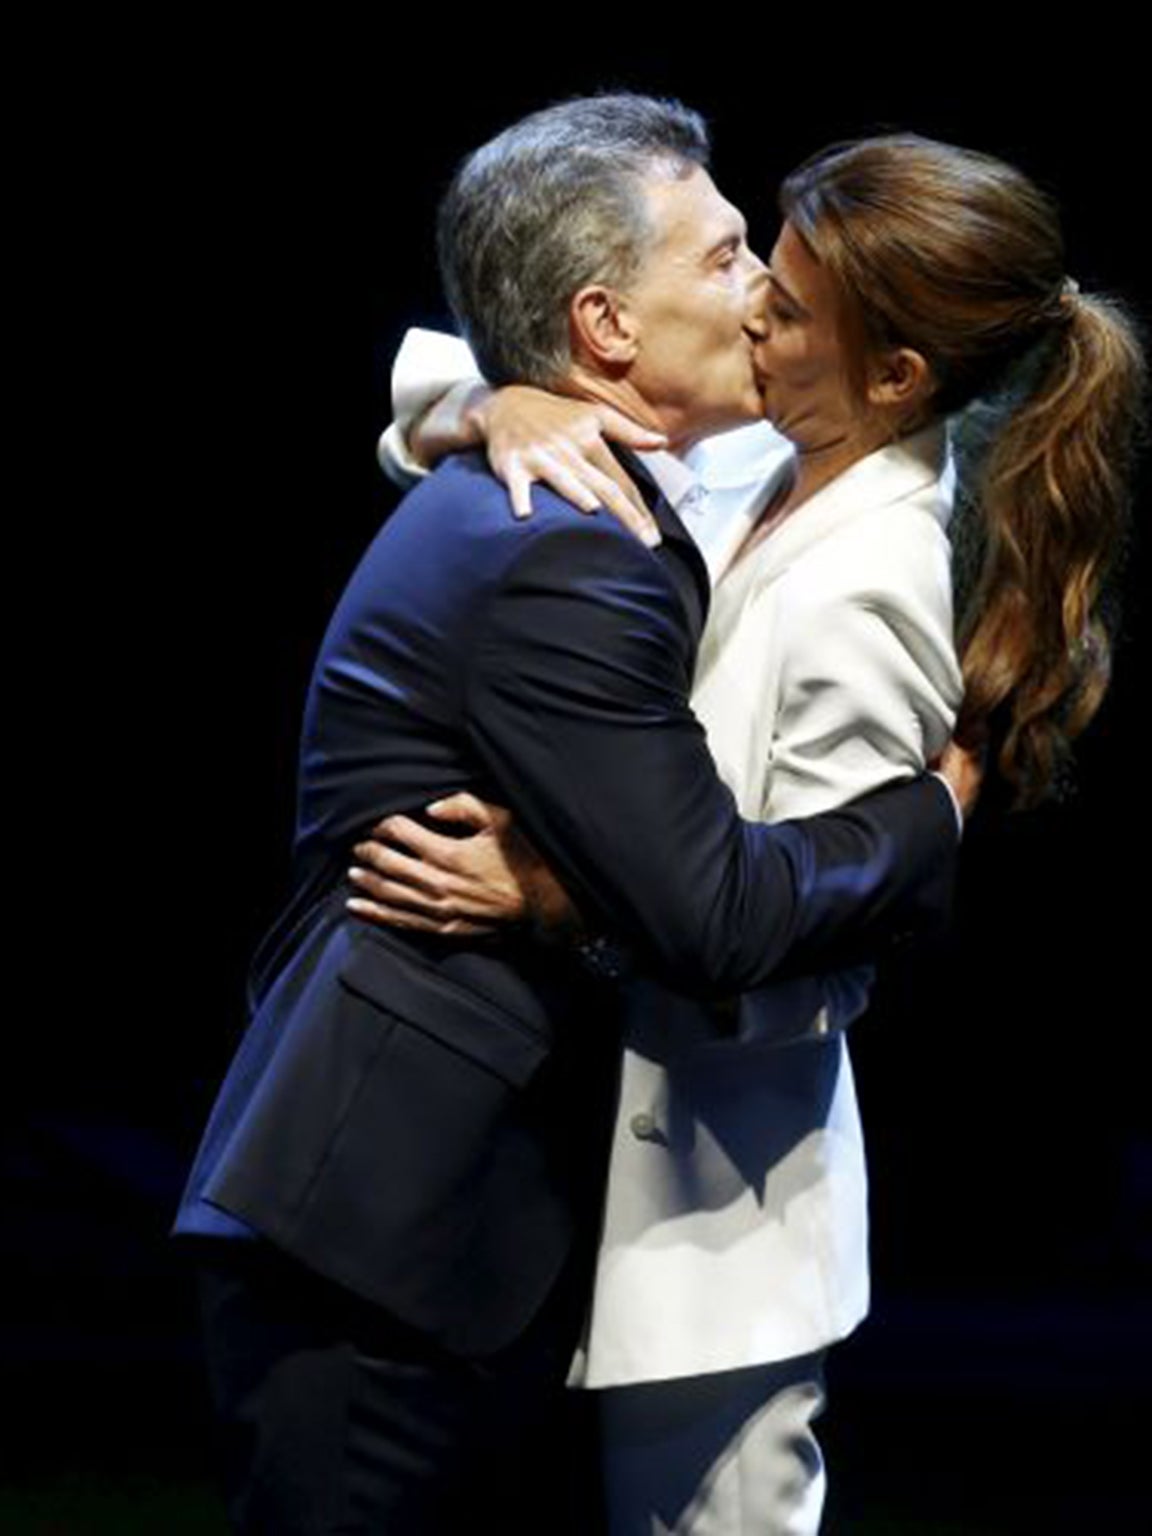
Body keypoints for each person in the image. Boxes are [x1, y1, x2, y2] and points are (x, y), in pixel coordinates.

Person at [173, 95, 975, 1534]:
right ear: (608, 328)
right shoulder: (572, 546)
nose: (765, 298)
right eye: (729, 262)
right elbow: (716, 912)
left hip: (425, 1227)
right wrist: (932, 815)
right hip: (388, 1237)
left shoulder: (636, 474)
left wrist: (492, 391)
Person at [355, 135, 1142, 1531]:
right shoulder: (762, 466)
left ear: (894, 377)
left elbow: (818, 964)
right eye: (745, 274)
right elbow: (423, 386)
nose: (742, 315)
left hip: (718, 1242)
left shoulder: (872, 588)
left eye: (776, 303)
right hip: (586, 1197)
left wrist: (563, 901)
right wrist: (497, 398)